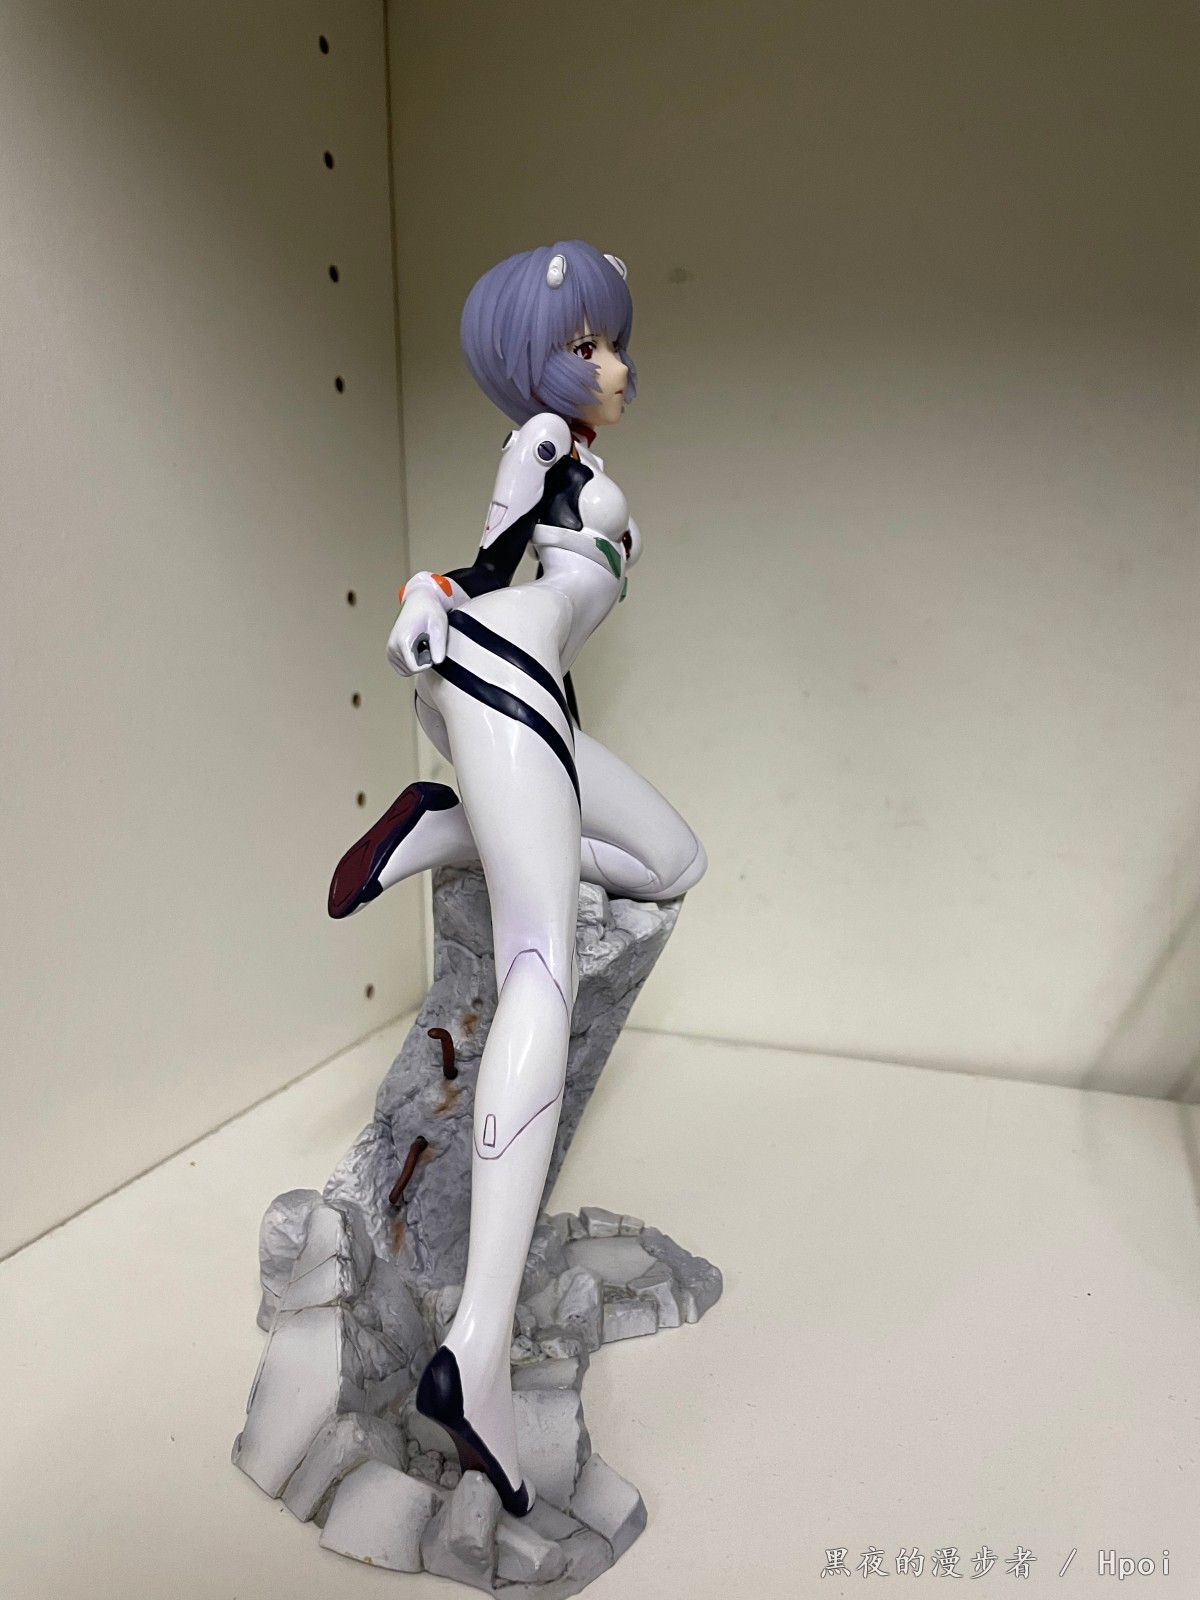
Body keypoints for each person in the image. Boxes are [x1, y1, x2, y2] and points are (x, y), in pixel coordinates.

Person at [327, 240, 706, 1516]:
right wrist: (420, 595)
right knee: (541, 961)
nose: (613, 364)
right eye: (584, 343)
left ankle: (449, 826)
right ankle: (475, 1354)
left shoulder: (580, 455)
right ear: (532, 362)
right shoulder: (543, 440)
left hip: (531, 700)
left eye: (613, 340)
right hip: (498, 676)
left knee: (673, 860)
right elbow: (484, 568)